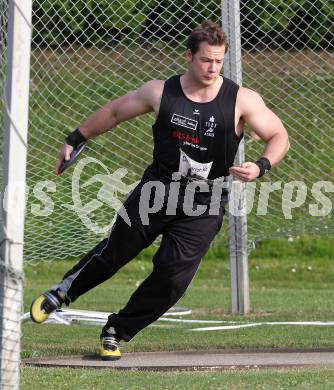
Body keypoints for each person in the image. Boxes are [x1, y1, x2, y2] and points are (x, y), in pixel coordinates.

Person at [30, 20, 290, 361]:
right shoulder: (159, 92)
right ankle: (62, 292)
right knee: (114, 252)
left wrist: (260, 166)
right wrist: (76, 139)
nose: (213, 67)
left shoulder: (241, 99)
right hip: (156, 191)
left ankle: (117, 331)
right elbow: (114, 112)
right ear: (189, 56)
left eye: (218, 60)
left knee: (172, 277)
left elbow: (279, 136)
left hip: (204, 201)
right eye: (205, 60)